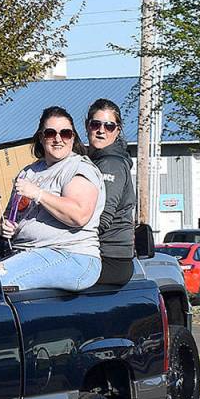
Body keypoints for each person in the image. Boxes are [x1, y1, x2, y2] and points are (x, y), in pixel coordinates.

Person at [0, 106, 105, 292]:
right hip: (27, 252)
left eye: (65, 133)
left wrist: (38, 194)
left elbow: (79, 215)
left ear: (73, 137)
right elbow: (12, 215)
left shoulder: (78, 168)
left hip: (72, 255)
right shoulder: (29, 172)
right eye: (50, 133)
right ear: (41, 137)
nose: (58, 139)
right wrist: (7, 225)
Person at [86, 98, 135, 285]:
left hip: (109, 258)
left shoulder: (110, 163)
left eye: (109, 126)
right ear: (87, 125)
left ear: (117, 130)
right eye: (96, 124)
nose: (101, 130)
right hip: (100, 255)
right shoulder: (92, 161)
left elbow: (102, 218)